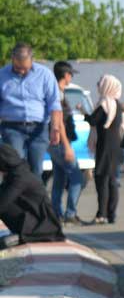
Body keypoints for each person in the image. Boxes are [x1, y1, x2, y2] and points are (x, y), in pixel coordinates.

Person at [0, 43, 67, 175]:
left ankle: (34, 196)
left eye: (24, 68)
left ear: (32, 60)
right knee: (15, 167)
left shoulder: (45, 75)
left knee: (36, 169)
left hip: (39, 129)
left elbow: (54, 103)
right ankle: (14, 195)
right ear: (12, 59)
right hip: (12, 128)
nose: (21, 71)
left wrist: (55, 128)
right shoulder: (2, 75)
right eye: (17, 67)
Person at [0, 144, 63, 243]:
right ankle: (22, 232)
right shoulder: (17, 172)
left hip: (43, 226)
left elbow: (4, 202)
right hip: (36, 220)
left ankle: (27, 234)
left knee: (4, 203)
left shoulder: (20, 177)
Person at [48, 61, 85, 225]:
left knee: (59, 180)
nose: (71, 77)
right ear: (65, 75)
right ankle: (70, 214)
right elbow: (59, 122)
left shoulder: (55, 91)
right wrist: (67, 146)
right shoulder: (58, 93)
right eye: (70, 74)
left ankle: (56, 214)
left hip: (54, 143)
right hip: (61, 143)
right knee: (77, 178)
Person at [88, 74, 124, 224]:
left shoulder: (105, 104)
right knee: (111, 180)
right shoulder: (116, 104)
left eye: (100, 83)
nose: (98, 85)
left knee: (102, 180)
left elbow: (93, 120)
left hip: (105, 147)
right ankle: (111, 214)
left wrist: (83, 112)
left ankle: (102, 214)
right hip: (115, 146)